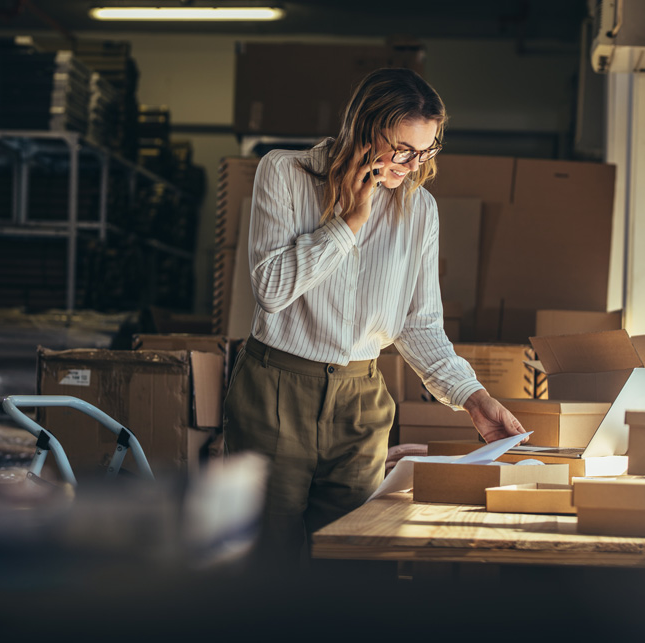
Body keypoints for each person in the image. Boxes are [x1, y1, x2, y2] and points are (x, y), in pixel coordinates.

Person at [223, 67, 526, 566]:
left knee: (354, 561)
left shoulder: (420, 210)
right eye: (403, 148)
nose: (412, 164)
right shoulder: (284, 172)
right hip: (274, 391)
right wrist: (349, 224)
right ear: (364, 128)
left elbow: (419, 324)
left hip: (361, 402)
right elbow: (271, 290)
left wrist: (474, 400)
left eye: (426, 151)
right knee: (264, 563)